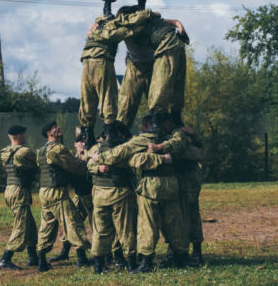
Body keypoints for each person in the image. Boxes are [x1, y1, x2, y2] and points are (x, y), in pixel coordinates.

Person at [92, 116, 188, 272]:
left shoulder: (142, 140)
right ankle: (181, 255)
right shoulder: (173, 137)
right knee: (174, 221)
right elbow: (184, 149)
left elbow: (126, 154)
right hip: (171, 184)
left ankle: (146, 260)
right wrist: (164, 158)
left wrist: (101, 158)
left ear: (145, 126)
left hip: (151, 184)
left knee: (147, 223)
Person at [78, 9, 153, 146]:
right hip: (102, 60)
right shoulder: (113, 27)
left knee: (87, 99)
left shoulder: (96, 26)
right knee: (108, 96)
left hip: (86, 62)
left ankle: (88, 135)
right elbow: (131, 28)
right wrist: (149, 14)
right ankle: (111, 133)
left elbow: (93, 28)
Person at [149, 114, 205, 267]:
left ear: (169, 121)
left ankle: (182, 253)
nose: (161, 126)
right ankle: (192, 252)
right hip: (188, 178)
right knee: (190, 214)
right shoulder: (184, 135)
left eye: (163, 122)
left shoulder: (178, 136)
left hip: (185, 179)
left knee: (183, 217)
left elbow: (189, 150)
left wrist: (160, 147)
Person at [36, 121, 92, 272]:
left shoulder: (41, 151)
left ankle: (41, 259)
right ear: (49, 133)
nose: (58, 128)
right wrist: (90, 161)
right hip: (57, 192)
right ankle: (82, 258)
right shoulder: (58, 149)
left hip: (44, 192)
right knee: (73, 223)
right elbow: (76, 167)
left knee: (47, 225)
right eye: (54, 128)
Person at [86, 123, 138, 273]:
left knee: (100, 230)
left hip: (100, 194)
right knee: (125, 230)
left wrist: (98, 168)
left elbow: (88, 163)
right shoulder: (124, 149)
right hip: (119, 193)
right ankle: (131, 264)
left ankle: (98, 265)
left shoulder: (96, 149)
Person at [0, 125, 39, 270]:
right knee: (21, 226)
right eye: (23, 134)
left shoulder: (5, 152)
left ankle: (33, 257)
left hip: (9, 189)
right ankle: (5, 258)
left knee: (30, 225)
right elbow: (38, 163)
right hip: (20, 190)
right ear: (19, 136)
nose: (25, 136)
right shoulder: (24, 152)